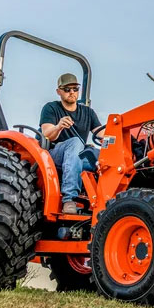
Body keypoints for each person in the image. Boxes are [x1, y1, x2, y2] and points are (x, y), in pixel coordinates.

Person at [40, 73, 102, 214]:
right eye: (67, 89)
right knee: (75, 142)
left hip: (77, 157)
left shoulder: (88, 112)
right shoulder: (51, 108)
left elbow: (101, 133)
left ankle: (108, 202)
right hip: (55, 156)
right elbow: (47, 134)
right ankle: (69, 199)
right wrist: (59, 126)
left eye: (75, 88)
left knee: (104, 157)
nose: (72, 92)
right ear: (59, 91)